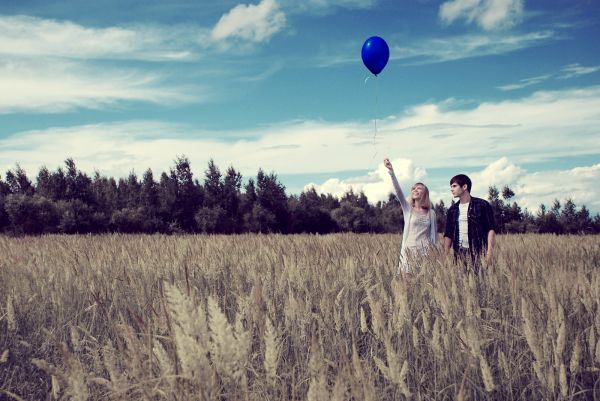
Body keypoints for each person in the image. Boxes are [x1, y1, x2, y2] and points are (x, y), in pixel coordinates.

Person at [384, 158, 437, 275]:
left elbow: (433, 237)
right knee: (406, 284)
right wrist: (391, 172)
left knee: (423, 285)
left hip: (425, 253)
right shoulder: (408, 209)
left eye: (419, 188)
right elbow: (398, 192)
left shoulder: (431, 213)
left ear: (425, 193)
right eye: (413, 188)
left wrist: (433, 255)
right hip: (409, 251)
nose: (415, 189)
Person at [443, 174, 496, 275]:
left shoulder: (482, 205)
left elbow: (491, 229)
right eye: (451, 187)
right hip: (459, 254)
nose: (451, 189)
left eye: (454, 186)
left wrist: (489, 253)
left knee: (481, 281)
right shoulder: (452, 210)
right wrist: (445, 256)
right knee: (462, 284)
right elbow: (448, 234)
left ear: (464, 187)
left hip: (479, 252)